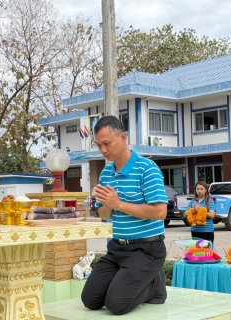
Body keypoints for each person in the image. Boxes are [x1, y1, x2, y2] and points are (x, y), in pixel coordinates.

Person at [81, 115, 168, 315]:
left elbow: (160, 212)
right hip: (117, 248)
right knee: (90, 300)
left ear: (123, 137)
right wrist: (107, 204)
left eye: (107, 143)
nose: (103, 150)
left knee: (116, 304)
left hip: (147, 249)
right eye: (98, 145)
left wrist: (118, 203)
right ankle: (140, 281)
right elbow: (104, 213)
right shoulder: (105, 173)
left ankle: (155, 284)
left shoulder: (147, 169)